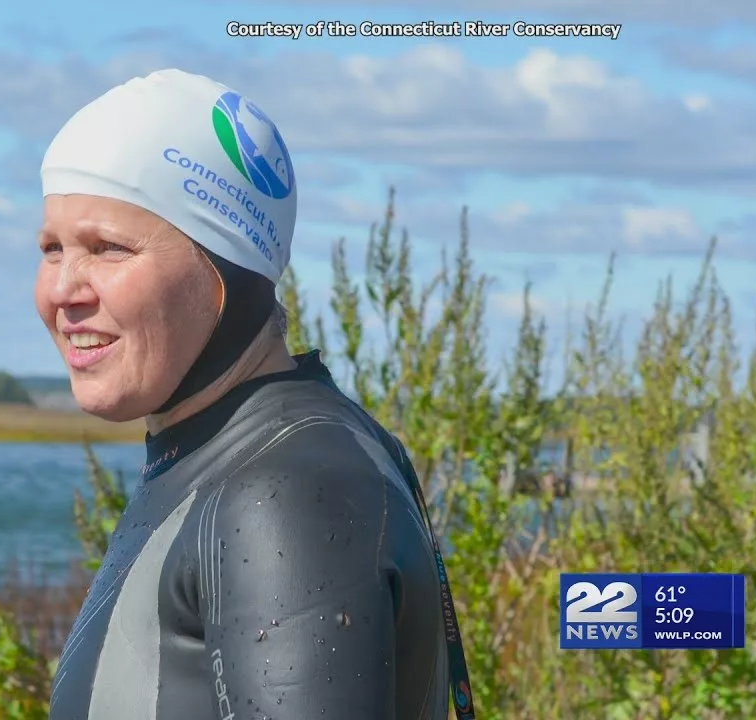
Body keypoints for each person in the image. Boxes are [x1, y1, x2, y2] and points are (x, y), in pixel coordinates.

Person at [35, 68, 476, 720]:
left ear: (225, 267)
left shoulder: (287, 488)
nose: (64, 291)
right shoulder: (217, 459)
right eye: (51, 249)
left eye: (108, 248)